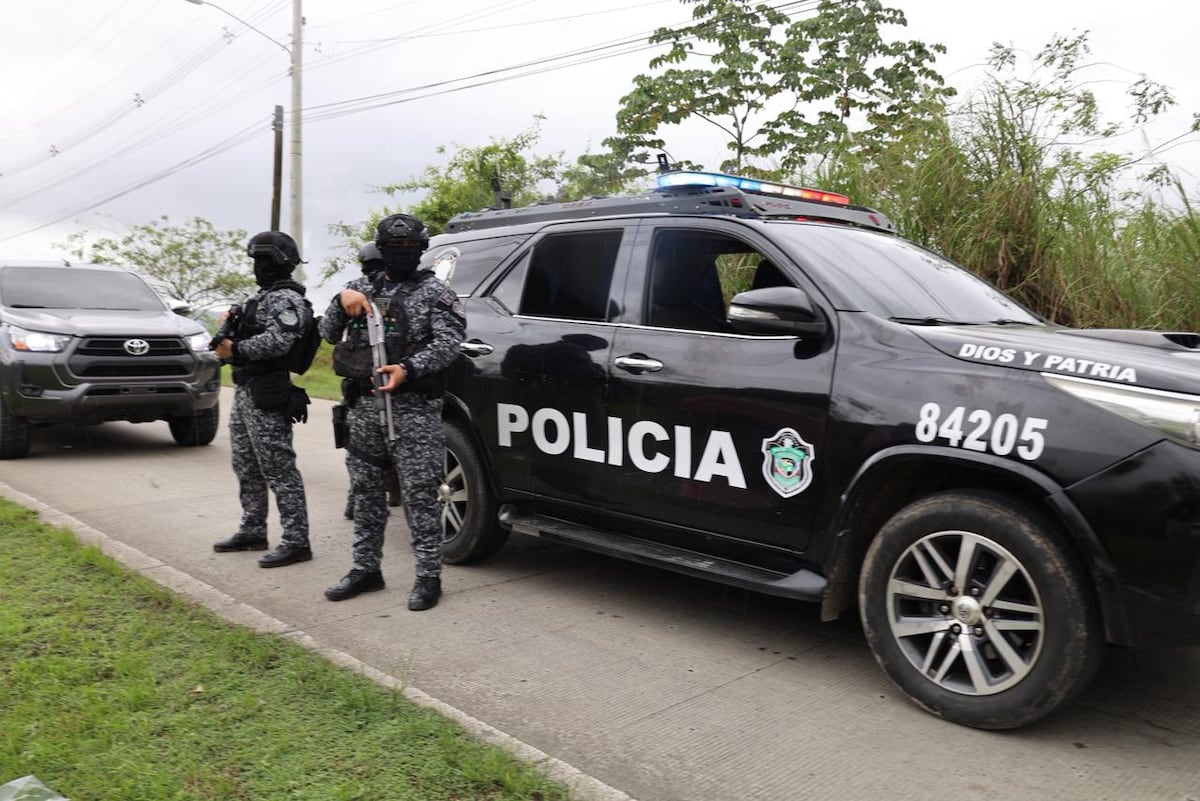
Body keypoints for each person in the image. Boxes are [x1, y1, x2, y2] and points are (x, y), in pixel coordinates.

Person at [319, 213, 466, 609]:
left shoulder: (437, 293)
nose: (401, 255)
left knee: (419, 494)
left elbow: (451, 344)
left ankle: (428, 577)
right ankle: (366, 569)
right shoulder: (358, 288)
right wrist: (339, 301)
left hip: (414, 409)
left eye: (409, 248)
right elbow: (329, 333)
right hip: (364, 407)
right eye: (393, 248)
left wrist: (408, 368)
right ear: (380, 251)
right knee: (366, 492)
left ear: (421, 251)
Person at [212, 230, 315, 568]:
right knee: (245, 463)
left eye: (263, 259)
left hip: (267, 390)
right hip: (245, 389)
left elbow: (279, 341)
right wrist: (227, 334)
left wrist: (236, 348)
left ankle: (297, 540)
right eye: (255, 259)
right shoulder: (258, 297)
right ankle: (253, 528)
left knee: (278, 468)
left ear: (281, 261)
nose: (258, 266)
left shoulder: (286, 299)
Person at [340, 242, 400, 520]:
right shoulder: (353, 292)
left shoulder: (390, 291)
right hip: (364, 384)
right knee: (364, 451)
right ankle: (362, 498)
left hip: (379, 385)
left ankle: (363, 497)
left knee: (362, 452)